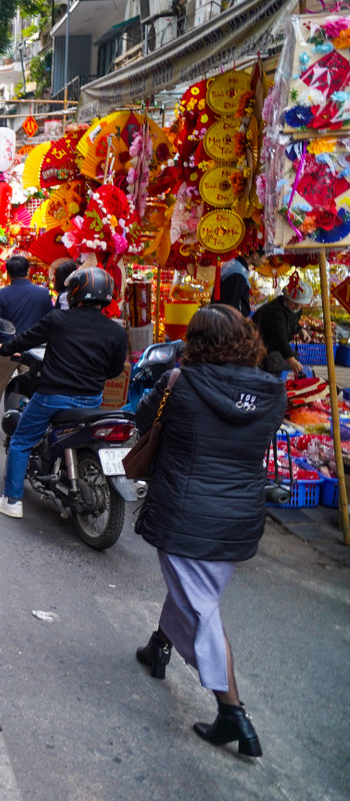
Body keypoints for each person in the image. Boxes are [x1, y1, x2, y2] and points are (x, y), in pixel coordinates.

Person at [131, 304, 284, 758]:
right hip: (238, 518)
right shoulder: (274, 392)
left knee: (200, 608)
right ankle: (159, 646)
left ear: (194, 342)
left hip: (186, 512)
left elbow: (144, 421)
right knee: (197, 593)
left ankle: (232, 713)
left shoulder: (178, 383)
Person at [0, 267, 128, 518]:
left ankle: (12, 500)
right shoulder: (116, 330)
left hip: (52, 397)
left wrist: (4, 348)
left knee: (21, 441)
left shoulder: (58, 319)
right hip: (92, 400)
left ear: (74, 292)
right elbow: (115, 369)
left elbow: (26, 339)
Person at [0, 255, 52, 430]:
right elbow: (50, 319)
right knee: (33, 385)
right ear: (28, 271)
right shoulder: (42, 293)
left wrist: (4, 343)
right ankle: (33, 419)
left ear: (8, 273)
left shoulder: (2, 294)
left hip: (9, 348)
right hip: (34, 350)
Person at [251, 274, 313, 375]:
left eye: (301, 304)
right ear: (286, 298)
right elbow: (280, 338)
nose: (298, 307)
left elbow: (292, 323)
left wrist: (300, 330)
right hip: (262, 349)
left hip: (274, 350)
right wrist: (291, 360)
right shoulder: (275, 312)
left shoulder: (295, 309)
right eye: (295, 303)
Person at [213, 250, 266, 317]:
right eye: (265, 258)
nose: (265, 261)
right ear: (255, 256)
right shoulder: (237, 273)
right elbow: (232, 303)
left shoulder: (234, 265)